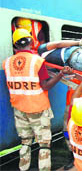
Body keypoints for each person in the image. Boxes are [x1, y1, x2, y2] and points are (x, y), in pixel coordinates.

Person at [2, 29, 72, 171]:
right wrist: (61, 75)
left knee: (26, 142)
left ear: (15, 46)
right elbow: (45, 85)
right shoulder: (37, 61)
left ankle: (23, 168)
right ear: (32, 43)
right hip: (38, 109)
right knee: (44, 144)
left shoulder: (7, 63)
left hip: (19, 109)